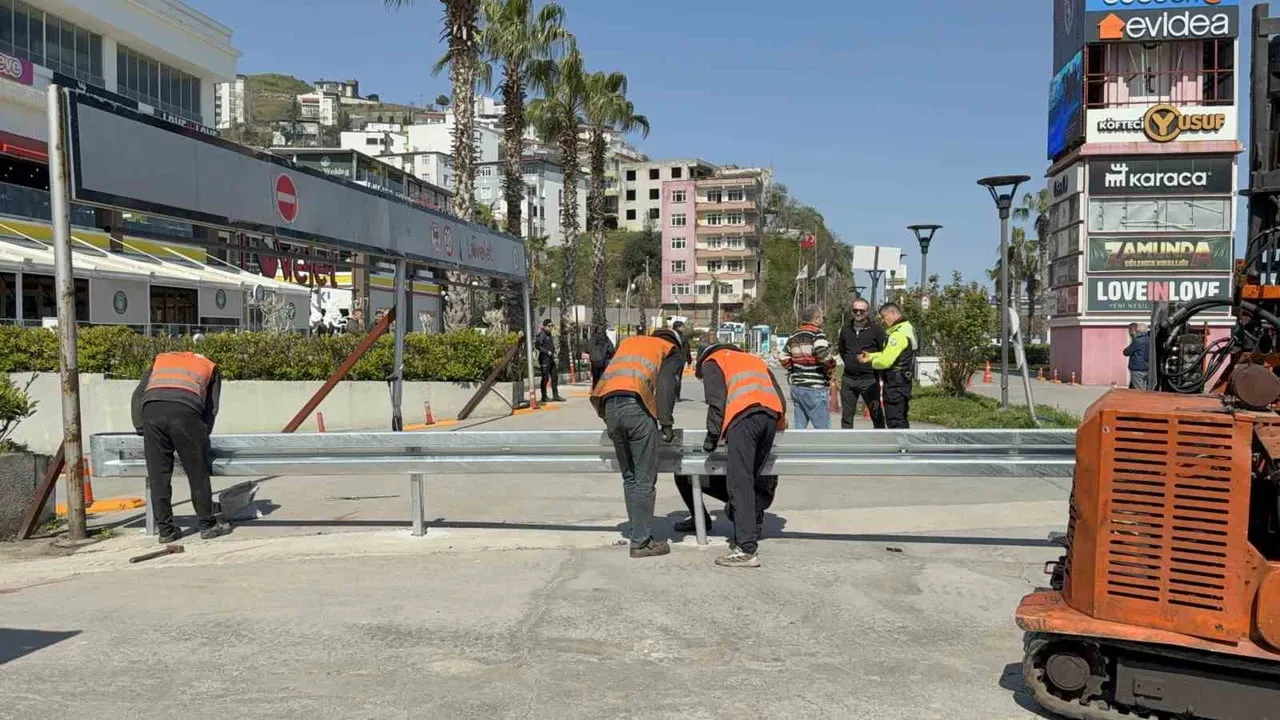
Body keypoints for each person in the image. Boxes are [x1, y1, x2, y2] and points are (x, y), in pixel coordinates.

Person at [591, 328, 686, 558]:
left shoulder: (631, 343)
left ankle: (637, 530)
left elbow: (605, 370)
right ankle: (641, 542)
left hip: (608, 405)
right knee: (644, 478)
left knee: (630, 477)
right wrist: (666, 423)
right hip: (635, 407)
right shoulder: (670, 350)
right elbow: (666, 386)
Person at [697, 343, 786, 568]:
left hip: (744, 418)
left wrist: (711, 438)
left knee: (739, 483)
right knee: (750, 479)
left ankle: (746, 549)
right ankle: (746, 522)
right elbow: (780, 397)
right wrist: (779, 425)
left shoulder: (712, 361)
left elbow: (716, 402)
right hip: (769, 417)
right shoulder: (753, 359)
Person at [131, 347, 232, 543]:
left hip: (151, 411)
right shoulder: (209, 366)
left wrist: (140, 427)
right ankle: (208, 525)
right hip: (185, 412)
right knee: (197, 473)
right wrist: (201, 436)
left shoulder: (162, 360)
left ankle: (166, 531)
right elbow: (211, 408)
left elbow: (138, 395)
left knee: (158, 476)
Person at [859, 302, 917, 429]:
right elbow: (891, 353)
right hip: (903, 382)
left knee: (895, 420)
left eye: (884, 317)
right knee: (901, 417)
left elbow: (886, 361)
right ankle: (903, 447)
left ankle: (900, 447)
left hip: (895, 384)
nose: (884, 321)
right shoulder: (907, 328)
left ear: (893, 313)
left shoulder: (898, 334)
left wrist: (871, 363)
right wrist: (872, 356)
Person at [781, 305, 836, 429]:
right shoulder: (817, 334)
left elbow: (783, 357)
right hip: (815, 387)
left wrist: (794, 368)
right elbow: (822, 353)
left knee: (800, 429)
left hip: (797, 387)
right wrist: (831, 365)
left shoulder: (794, 335)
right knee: (823, 431)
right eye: (822, 317)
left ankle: (799, 448)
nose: (823, 320)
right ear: (816, 318)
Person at [837, 298, 888, 428]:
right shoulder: (845, 330)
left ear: (867, 311)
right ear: (852, 311)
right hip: (849, 379)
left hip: (869, 379)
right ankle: (848, 444)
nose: (858, 313)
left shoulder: (876, 330)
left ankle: (881, 441)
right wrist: (851, 362)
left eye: (861, 310)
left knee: (876, 415)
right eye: (855, 310)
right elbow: (842, 351)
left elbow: (884, 352)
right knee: (847, 417)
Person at [536, 318, 565, 403]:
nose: (551, 327)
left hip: (551, 359)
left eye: (552, 326)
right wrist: (546, 352)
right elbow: (537, 346)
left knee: (555, 377)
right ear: (544, 326)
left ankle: (555, 395)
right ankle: (544, 396)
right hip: (544, 359)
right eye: (549, 326)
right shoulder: (541, 335)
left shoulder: (549, 335)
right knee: (545, 378)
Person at [1124, 323, 1150, 390]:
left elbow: (1126, 352)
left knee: (1139, 390)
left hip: (1137, 369)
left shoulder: (1138, 341)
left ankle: (1141, 400)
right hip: (1147, 368)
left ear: (1137, 331)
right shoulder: (1149, 339)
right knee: (1144, 388)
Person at [671, 320, 693, 401]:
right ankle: (676, 396)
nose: (683, 329)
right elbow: (687, 349)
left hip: (669, 360)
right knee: (678, 377)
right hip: (680, 360)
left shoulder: (670, 336)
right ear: (678, 327)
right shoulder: (683, 337)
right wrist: (689, 360)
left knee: (669, 377)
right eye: (682, 327)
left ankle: (669, 395)